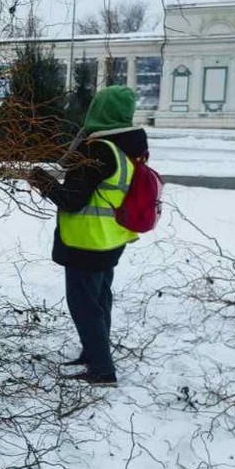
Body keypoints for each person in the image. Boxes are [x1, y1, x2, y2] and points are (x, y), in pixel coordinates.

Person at [29, 84, 148, 386]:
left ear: (100, 112)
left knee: (84, 306)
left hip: (86, 241)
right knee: (100, 299)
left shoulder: (96, 151)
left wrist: (40, 180)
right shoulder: (127, 147)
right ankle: (93, 352)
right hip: (110, 239)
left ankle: (102, 370)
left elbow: (71, 199)